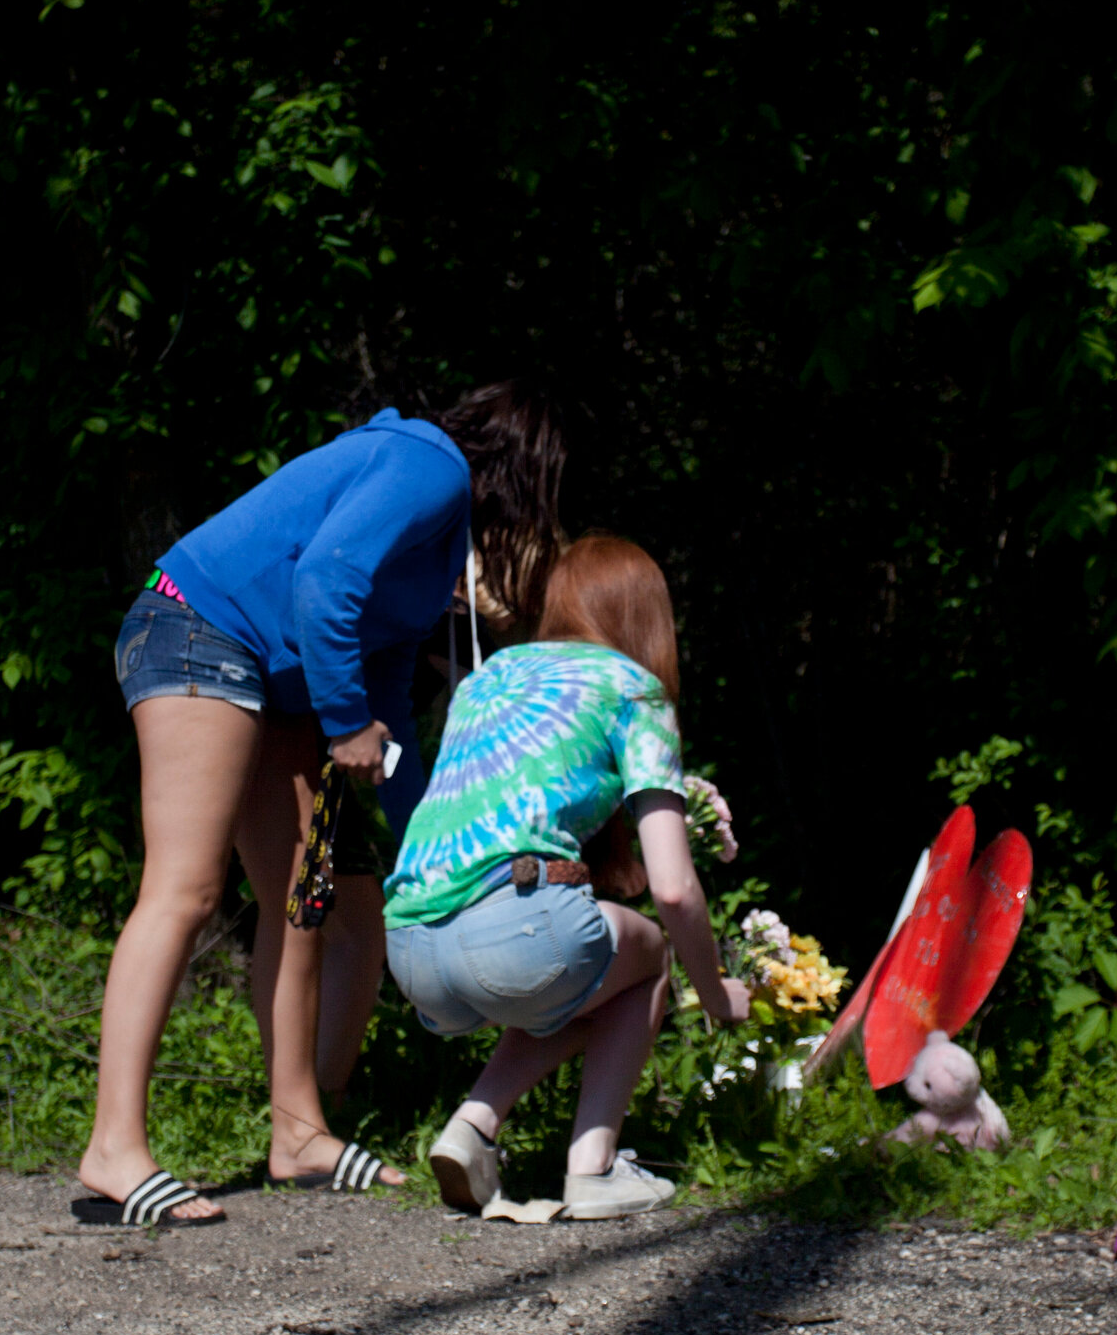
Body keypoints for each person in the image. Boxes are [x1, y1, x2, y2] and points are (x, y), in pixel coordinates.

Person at [73, 382, 566, 1227]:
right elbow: (326, 584)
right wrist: (345, 728)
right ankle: (114, 1145)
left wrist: (430, 842)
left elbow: (391, 703)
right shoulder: (429, 466)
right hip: (197, 630)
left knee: (303, 899)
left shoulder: (436, 548)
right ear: (521, 472)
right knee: (186, 890)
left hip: (268, 676)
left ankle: (298, 1134)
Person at [384, 534, 751, 1220]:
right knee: (645, 959)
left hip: (409, 949)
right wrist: (715, 993)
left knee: (578, 978)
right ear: (647, 618)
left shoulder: (491, 675)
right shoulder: (632, 688)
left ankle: (472, 1127)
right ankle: (595, 1168)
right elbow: (671, 887)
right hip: (511, 935)